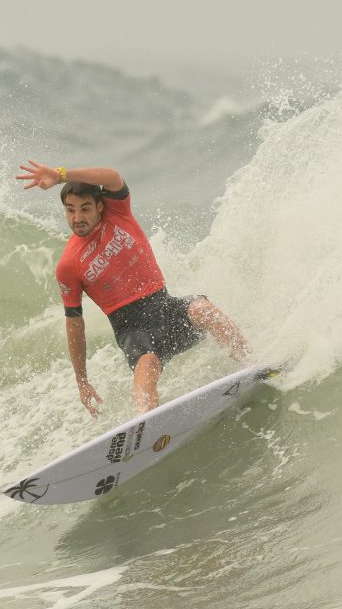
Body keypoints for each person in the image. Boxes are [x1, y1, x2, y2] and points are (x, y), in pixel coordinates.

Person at [16, 160, 251, 418]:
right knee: (147, 363)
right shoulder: (68, 265)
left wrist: (61, 175)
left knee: (204, 310)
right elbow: (74, 324)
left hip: (166, 309)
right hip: (132, 329)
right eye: (70, 210)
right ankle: (145, 426)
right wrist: (81, 381)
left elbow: (113, 177)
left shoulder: (118, 213)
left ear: (99, 206)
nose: (77, 218)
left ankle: (253, 366)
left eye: (84, 209)